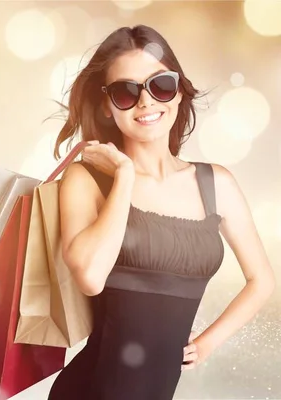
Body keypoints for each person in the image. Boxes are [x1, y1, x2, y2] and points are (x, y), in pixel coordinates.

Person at [47, 25, 276, 400]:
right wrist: (122, 176)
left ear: (179, 89)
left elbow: (262, 280)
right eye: (126, 91)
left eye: (161, 85)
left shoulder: (216, 184)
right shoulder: (87, 180)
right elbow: (89, 278)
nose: (147, 102)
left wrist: (206, 344)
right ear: (106, 104)